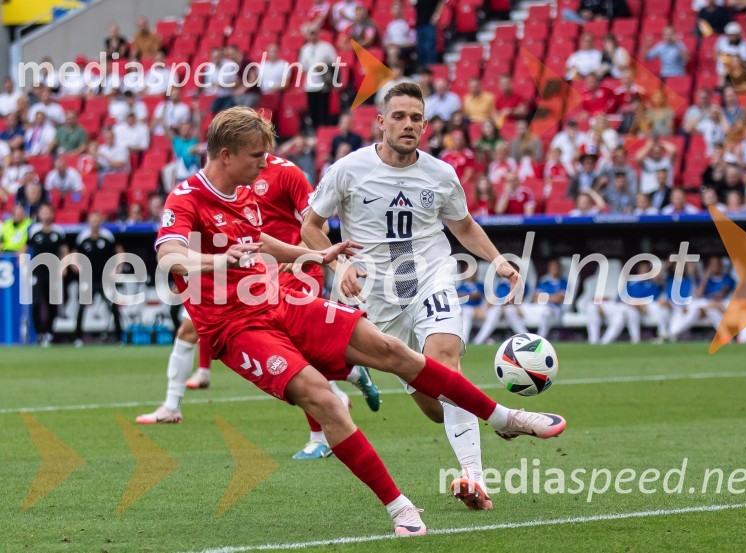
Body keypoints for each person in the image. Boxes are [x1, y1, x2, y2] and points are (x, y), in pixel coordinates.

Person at [159, 106, 566, 535]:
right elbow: (171, 257)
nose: (265, 164)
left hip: (278, 300)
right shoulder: (185, 198)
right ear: (225, 155)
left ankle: (505, 418)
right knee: (326, 400)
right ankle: (401, 508)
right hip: (237, 328)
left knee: (394, 351)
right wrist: (216, 261)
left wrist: (315, 254)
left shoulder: (243, 192)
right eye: (257, 156)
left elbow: (256, 240)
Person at [302, 84, 562, 512]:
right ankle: (489, 418)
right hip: (375, 299)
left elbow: (462, 226)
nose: (408, 124)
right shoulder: (348, 170)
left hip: (431, 278)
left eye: (416, 118)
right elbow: (311, 227)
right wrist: (339, 266)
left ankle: (475, 479)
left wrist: (496, 259)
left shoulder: (441, 174)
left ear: (425, 124)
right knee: (437, 406)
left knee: (445, 359)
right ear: (381, 122)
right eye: (399, 116)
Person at [137, 150, 382, 461]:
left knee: (295, 349)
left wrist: (310, 256)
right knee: (191, 328)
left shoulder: (286, 172)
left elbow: (315, 225)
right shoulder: (232, 181)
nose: (258, 157)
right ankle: (348, 377)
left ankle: (321, 431)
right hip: (248, 273)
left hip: (294, 269)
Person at [73, 211, 123, 346]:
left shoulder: (107, 236)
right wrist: (76, 267)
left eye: (97, 220)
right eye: (92, 220)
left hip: (105, 279)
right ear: (88, 222)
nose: (94, 223)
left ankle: (119, 337)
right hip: (88, 279)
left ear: (100, 221)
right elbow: (76, 255)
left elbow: (119, 251)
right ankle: (77, 338)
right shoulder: (83, 237)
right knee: (82, 308)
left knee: (113, 308)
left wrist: (118, 266)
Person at [28, 203, 67, 346]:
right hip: (37, 272)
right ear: (39, 215)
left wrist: (64, 265)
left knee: (53, 304)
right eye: (43, 212)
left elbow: (64, 250)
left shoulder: (58, 231)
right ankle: (38, 333)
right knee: (36, 303)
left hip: (53, 272)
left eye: (48, 212)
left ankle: (50, 333)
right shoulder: (34, 231)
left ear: (52, 214)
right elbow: (26, 247)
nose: (45, 215)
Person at [534, 259, 568, 339]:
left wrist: (542, 297)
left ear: (560, 269)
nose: (554, 269)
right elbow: (535, 298)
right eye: (552, 267)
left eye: (556, 267)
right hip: (539, 307)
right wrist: (550, 297)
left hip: (554, 309)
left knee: (546, 313)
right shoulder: (544, 281)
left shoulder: (563, 282)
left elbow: (557, 299)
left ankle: (540, 338)